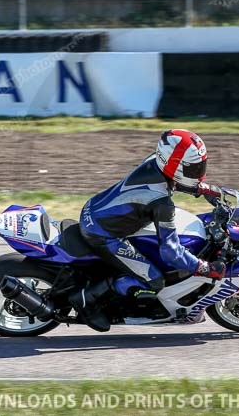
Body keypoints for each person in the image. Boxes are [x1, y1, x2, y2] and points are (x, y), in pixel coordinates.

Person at [71, 129, 225, 332]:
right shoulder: (161, 203)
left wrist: (204, 189)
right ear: (173, 164)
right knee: (154, 278)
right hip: (104, 234)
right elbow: (171, 252)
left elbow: (174, 181)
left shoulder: (154, 161)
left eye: (200, 165)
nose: (198, 171)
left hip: (96, 209)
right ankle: (86, 300)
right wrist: (204, 268)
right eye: (193, 168)